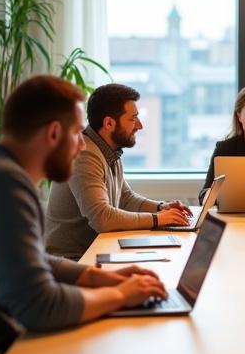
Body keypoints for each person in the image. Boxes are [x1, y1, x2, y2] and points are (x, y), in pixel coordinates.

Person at [0, 76, 168, 354]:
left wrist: (100, 278)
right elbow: (41, 307)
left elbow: (33, 260)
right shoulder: (1, 185)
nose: (82, 145)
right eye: (77, 133)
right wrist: (122, 295)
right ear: (53, 133)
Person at [46, 83, 192, 259]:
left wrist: (162, 208)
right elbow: (102, 218)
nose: (139, 125)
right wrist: (157, 219)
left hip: (97, 251)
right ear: (109, 123)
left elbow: (125, 198)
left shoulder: (109, 151)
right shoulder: (84, 154)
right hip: (74, 261)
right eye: (133, 119)